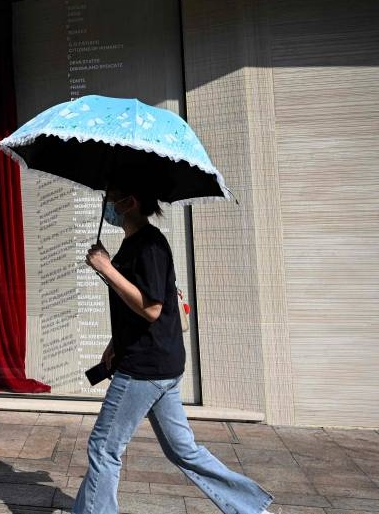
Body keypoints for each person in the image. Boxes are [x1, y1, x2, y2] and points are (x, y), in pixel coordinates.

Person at [72, 170, 274, 514]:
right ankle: (250, 507)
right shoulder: (137, 243)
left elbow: (151, 307)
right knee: (183, 450)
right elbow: (137, 306)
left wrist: (107, 268)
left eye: (111, 197)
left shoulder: (150, 245)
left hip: (144, 368)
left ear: (129, 202)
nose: (107, 204)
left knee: (104, 448)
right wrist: (114, 341)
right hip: (158, 362)